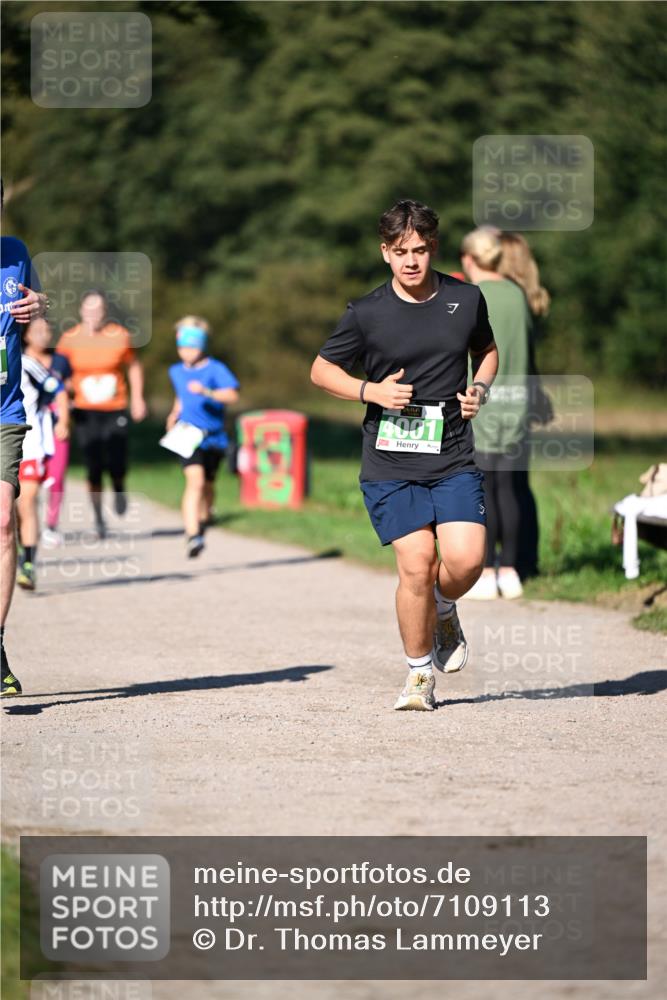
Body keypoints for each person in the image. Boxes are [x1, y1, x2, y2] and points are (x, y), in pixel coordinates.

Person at [311, 200, 498, 712]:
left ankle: (442, 608)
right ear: (384, 253)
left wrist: (479, 389)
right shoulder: (366, 312)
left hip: (453, 452)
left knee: (466, 560)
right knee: (416, 563)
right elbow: (322, 371)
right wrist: (370, 392)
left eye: (419, 250)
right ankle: (418, 676)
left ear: (432, 248)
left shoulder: (465, 298)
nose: (411, 261)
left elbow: (487, 351)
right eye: (400, 252)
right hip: (391, 462)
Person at [460, 226, 533, 599]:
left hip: (483, 402)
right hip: (518, 403)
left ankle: (486, 570)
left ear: (469, 260)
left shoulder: (473, 297)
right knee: (509, 490)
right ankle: (511, 570)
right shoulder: (518, 295)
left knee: (483, 490)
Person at [1, 180, 49, 695]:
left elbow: (37, 306)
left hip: (4, 411)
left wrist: (38, 305)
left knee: (4, 524)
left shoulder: (14, 252)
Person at [57, 290, 147, 538]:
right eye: (89, 309)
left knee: (117, 460)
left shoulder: (119, 335)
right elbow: (59, 372)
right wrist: (64, 389)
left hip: (115, 408)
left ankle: (119, 485)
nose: (93, 314)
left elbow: (134, 366)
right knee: (94, 465)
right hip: (85, 411)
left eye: (98, 310)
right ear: (81, 311)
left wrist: (138, 398)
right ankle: (98, 516)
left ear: (105, 312)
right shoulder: (69, 339)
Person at [497, 231, 552, 580]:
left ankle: (514, 561)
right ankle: (525, 561)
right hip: (524, 395)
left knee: (503, 484)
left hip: (506, 399)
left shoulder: (508, 298)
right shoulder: (529, 298)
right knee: (517, 483)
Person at [165, 316, 239, 558]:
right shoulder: (175, 371)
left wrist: (207, 391)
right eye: (182, 347)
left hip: (214, 437)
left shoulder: (216, 369)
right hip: (187, 435)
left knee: (207, 484)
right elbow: (181, 397)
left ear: (202, 345)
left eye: (192, 347)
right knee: (194, 482)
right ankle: (193, 535)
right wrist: (174, 413)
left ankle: (206, 515)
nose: (186, 352)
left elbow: (232, 396)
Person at [16, 319, 69, 590]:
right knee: (8, 512)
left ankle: (27, 563)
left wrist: (63, 420)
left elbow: (57, 389)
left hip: (28, 441)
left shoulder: (25, 362)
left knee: (26, 502)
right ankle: (14, 546)